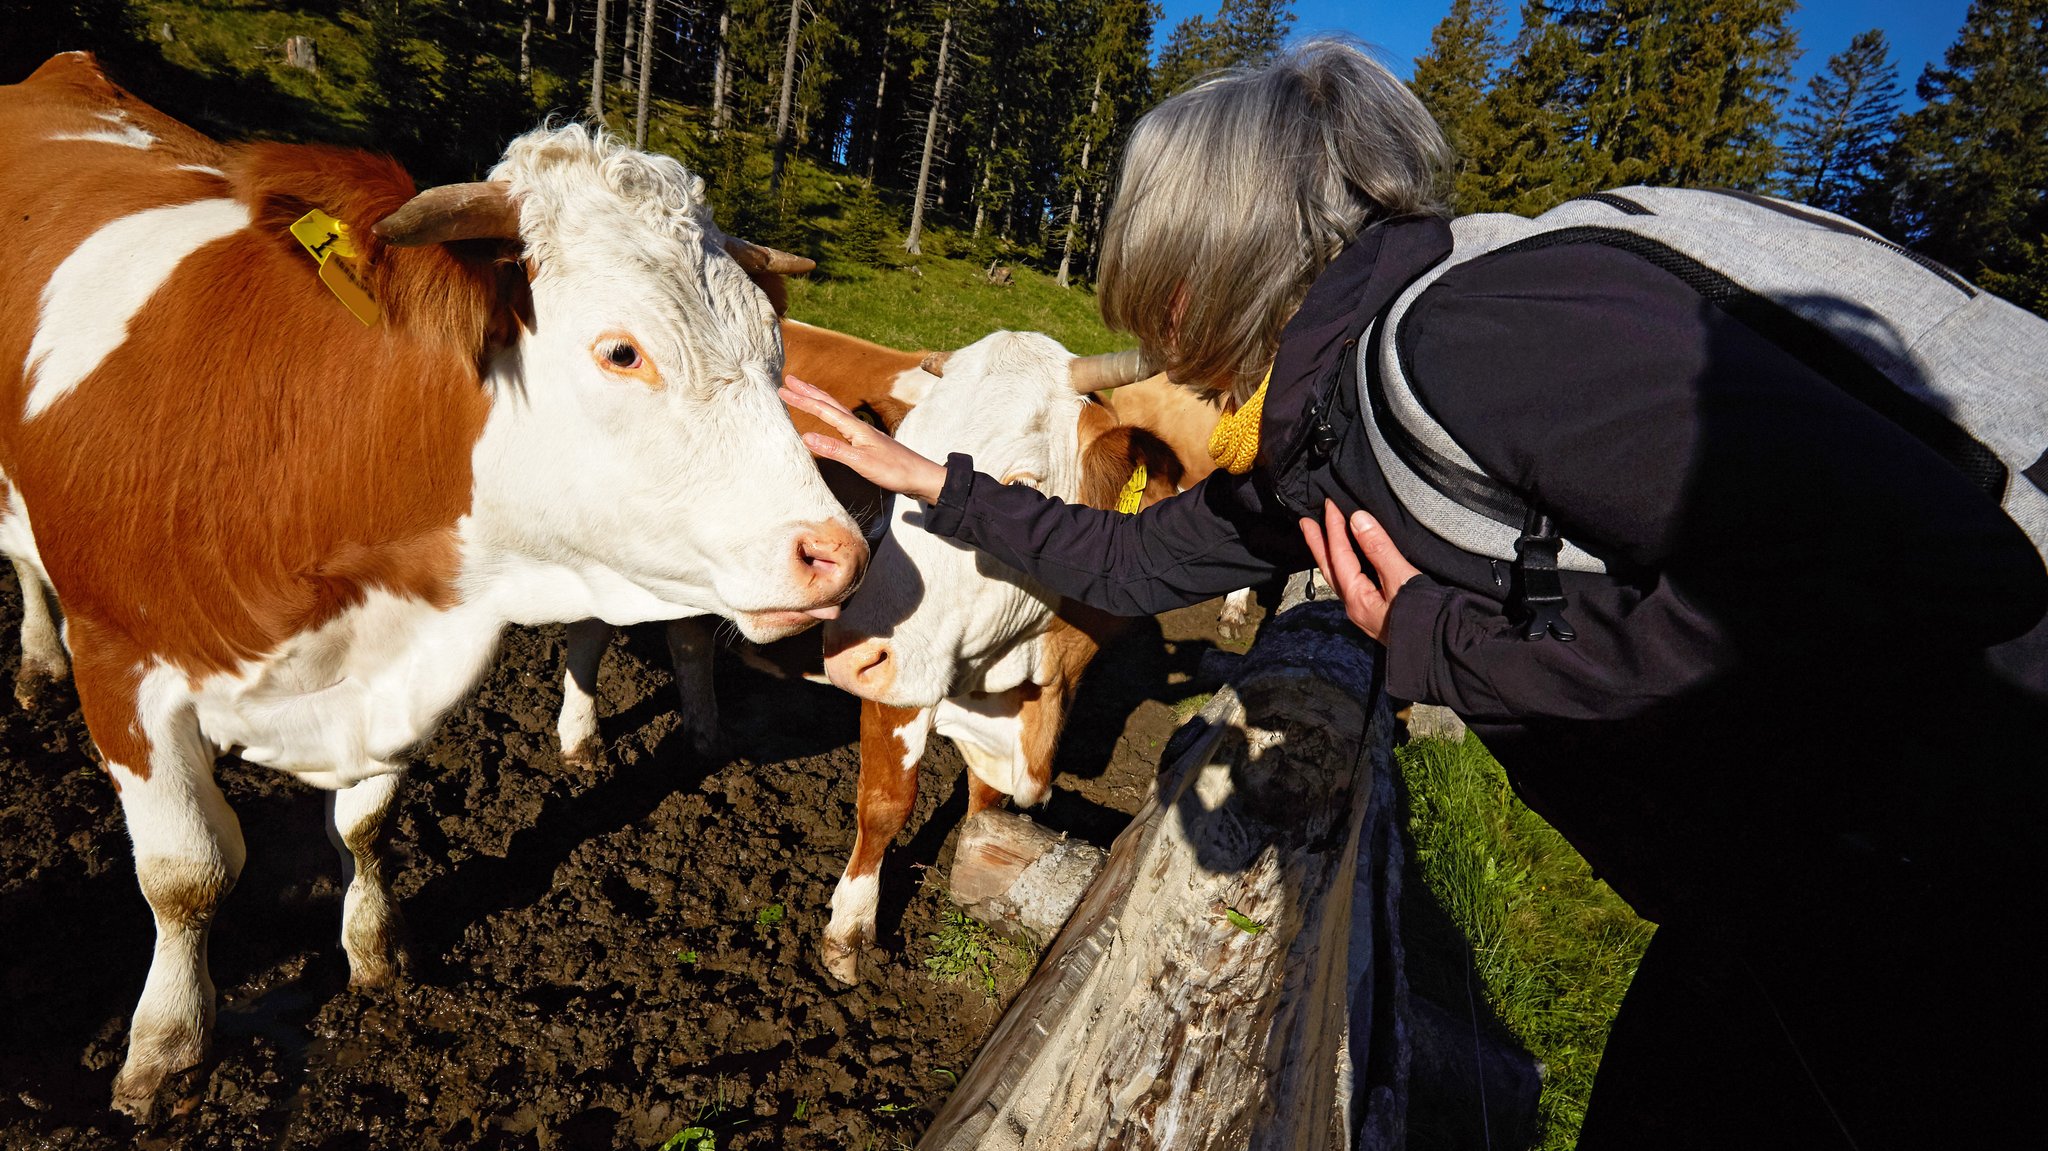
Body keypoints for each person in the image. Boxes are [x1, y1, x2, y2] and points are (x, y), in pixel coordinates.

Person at [780, 38, 2047, 1150]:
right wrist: (919, 474)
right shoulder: (1338, 411)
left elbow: (1942, 573)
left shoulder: (1489, 339)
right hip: (1822, 875)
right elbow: (1130, 563)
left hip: (1956, 882)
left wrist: (1442, 640)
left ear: (1193, 272)